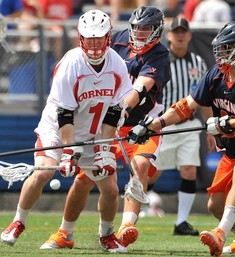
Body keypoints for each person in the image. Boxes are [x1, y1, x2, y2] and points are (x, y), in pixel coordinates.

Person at [127, 21, 235, 256]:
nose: (222, 53)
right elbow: (187, 106)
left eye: (228, 47)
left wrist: (227, 123)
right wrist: (156, 124)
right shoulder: (216, 74)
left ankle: (220, 234)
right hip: (233, 149)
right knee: (215, 205)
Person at [1, 9, 134, 253]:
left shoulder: (117, 63)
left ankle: (106, 235)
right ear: (81, 38)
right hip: (58, 129)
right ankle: (18, 221)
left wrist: (104, 149)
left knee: (111, 188)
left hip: (94, 133)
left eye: (99, 38)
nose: (94, 44)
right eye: (89, 38)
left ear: (108, 37)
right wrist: (68, 152)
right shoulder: (71, 63)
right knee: (42, 173)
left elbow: (115, 110)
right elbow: (65, 114)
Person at [38, 5, 170, 250]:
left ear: (158, 30)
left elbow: (140, 88)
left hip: (140, 125)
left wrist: (121, 111)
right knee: (84, 180)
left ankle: (125, 227)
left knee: (140, 165)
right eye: (137, 28)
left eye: (147, 29)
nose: (140, 34)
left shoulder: (160, 54)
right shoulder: (115, 38)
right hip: (106, 123)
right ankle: (64, 233)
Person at [145, 17, 215, 236]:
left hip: (190, 125)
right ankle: (134, 208)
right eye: (176, 31)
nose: (180, 35)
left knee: (189, 169)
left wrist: (209, 126)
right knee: (152, 173)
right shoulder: (161, 60)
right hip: (163, 124)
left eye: (183, 31)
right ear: (168, 35)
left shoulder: (198, 62)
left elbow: (204, 98)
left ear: (189, 35)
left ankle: (181, 222)